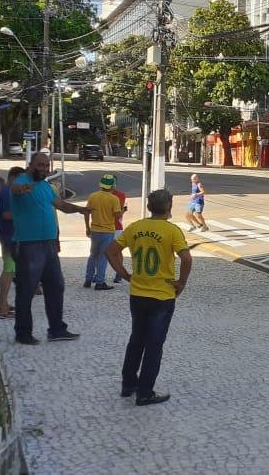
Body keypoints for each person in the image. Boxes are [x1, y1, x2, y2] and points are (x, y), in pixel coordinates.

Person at [106, 189, 192, 407]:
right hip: (162, 296)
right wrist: (181, 283)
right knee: (154, 345)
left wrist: (124, 274)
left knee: (136, 339)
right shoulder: (172, 231)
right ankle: (145, 392)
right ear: (170, 206)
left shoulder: (136, 227)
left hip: (137, 293)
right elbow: (187, 258)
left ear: (149, 206)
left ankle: (128, 384)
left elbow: (110, 251)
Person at [10, 153, 92, 345]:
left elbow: (61, 205)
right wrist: (22, 189)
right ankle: (23, 333)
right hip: (28, 245)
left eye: (46, 166)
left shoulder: (46, 186)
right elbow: (15, 189)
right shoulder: (22, 180)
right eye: (40, 165)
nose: (44, 169)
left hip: (48, 244)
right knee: (26, 290)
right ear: (31, 165)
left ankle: (56, 329)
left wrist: (80, 210)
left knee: (56, 286)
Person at [0, 167, 25, 318]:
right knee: (9, 271)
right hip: (9, 236)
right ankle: (1, 308)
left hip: (10, 235)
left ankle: (4, 304)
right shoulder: (8, 192)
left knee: (10, 270)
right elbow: (7, 214)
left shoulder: (8, 191)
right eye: (21, 178)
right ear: (13, 177)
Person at [84, 174, 123, 290]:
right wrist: (122, 211)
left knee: (92, 256)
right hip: (107, 231)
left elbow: (86, 212)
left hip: (94, 230)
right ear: (112, 186)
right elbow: (117, 216)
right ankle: (100, 282)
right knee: (103, 257)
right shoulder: (114, 199)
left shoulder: (93, 196)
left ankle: (88, 279)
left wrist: (87, 227)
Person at [110, 179, 129, 284]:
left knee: (117, 251)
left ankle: (119, 273)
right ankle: (98, 274)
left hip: (117, 226)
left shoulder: (120, 195)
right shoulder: (100, 195)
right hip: (104, 226)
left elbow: (121, 210)